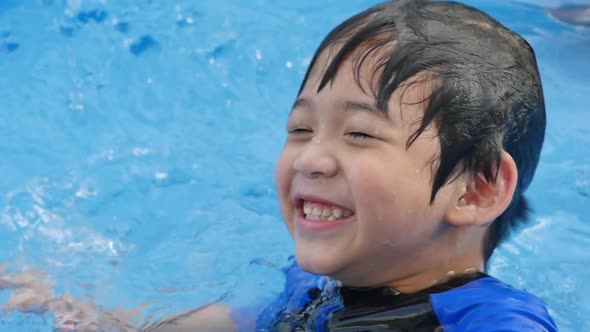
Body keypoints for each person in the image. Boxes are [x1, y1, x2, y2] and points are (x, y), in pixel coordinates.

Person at [1, 0, 558, 331]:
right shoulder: (304, 290)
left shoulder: (493, 321)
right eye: (300, 129)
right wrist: (73, 311)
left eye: (360, 134)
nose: (310, 157)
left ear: (476, 189)